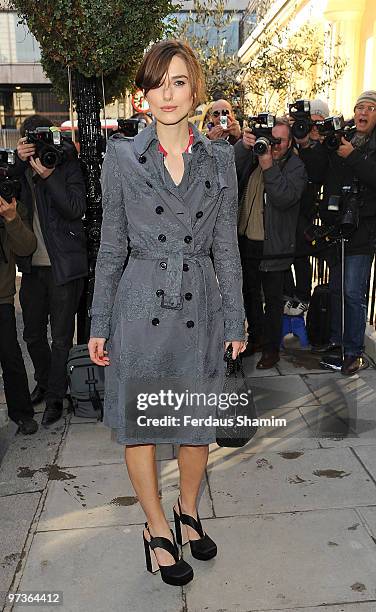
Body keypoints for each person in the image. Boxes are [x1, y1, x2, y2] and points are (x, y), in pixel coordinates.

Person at [88, 40, 246, 586]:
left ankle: (188, 510)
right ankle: (156, 528)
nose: (168, 93)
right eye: (158, 83)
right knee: (143, 427)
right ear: (144, 95)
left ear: (195, 89)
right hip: (139, 301)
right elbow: (111, 247)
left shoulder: (219, 159)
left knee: (195, 426)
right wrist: (99, 323)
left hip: (198, 300)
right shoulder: (122, 157)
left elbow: (226, 247)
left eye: (179, 81)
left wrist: (235, 319)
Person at [13, 115, 87, 427]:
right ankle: (45, 382)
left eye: (42, 136)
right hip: (31, 267)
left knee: (60, 338)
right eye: (31, 138)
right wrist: (19, 165)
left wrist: (47, 174)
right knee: (31, 334)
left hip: (63, 266)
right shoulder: (21, 168)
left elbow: (74, 208)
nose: (37, 143)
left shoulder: (67, 161)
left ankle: (56, 396)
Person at [235, 117, 307, 368]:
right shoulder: (255, 156)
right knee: (250, 294)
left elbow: (284, 198)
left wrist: (268, 166)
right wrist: (243, 147)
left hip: (273, 244)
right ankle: (254, 338)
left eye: (280, 141)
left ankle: (271, 349)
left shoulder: (295, 167)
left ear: (289, 143)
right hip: (247, 240)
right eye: (271, 139)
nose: (274, 145)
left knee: (272, 301)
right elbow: (231, 170)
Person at [319, 91, 376, 375]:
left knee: (354, 292)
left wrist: (352, 156)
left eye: (370, 107)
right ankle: (337, 344)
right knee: (339, 290)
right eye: (359, 107)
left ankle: (354, 351)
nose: (363, 112)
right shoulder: (346, 137)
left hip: (363, 231)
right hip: (340, 227)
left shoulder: (364, 146)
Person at [284, 99, 330, 315]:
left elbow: (318, 173)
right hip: (282, 213)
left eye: (314, 123)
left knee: (301, 259)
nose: (304, 128)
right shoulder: (285, 141)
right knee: (281, 260)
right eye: (301, 123)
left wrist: (308, 145)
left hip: (304, 213)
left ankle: (303, 299)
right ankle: (286, 299)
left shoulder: (321, 148)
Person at [0, 194, 38, 434]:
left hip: (1, 298)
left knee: (11, 358)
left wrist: (11, 218)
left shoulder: (10, 204)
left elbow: (27, 247)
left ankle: (22, 413)